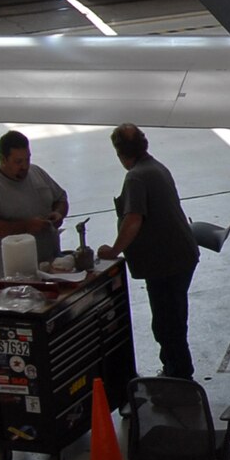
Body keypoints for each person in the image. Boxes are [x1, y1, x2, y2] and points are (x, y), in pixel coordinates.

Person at [97, 124, 200, 380]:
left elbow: (133, 219)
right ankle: (176, 369)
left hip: (166, 262)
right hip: (181, 256)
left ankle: (179, 375)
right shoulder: (156, 167)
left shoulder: (136, 177)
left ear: (120, 154)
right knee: (173, 317)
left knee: (167, 323)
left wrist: (113, 250)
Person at [0, 130, 68, 279]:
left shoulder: (36, 172)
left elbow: (61, 198)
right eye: (18, 162)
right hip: (11, 280)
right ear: (3, 159)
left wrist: (58, 213)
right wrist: (25, 226)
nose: (25, 166)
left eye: (27, 159)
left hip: (49, 271)